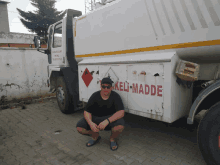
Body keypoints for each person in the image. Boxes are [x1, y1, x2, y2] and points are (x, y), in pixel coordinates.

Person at [76, 77, 125, 151]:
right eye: (103, 86)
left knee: (120, 126)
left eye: (108, 87)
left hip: (109, 120)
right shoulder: (95, 96)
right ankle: (95, 136)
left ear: (111, 88)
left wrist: (107, 121)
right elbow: (87, 111)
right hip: (95, 118)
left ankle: (112, 139)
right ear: (100, 86)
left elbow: (121, 112)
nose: (105, 89)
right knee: (79, 128)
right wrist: (91, 123)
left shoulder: (116, 96)